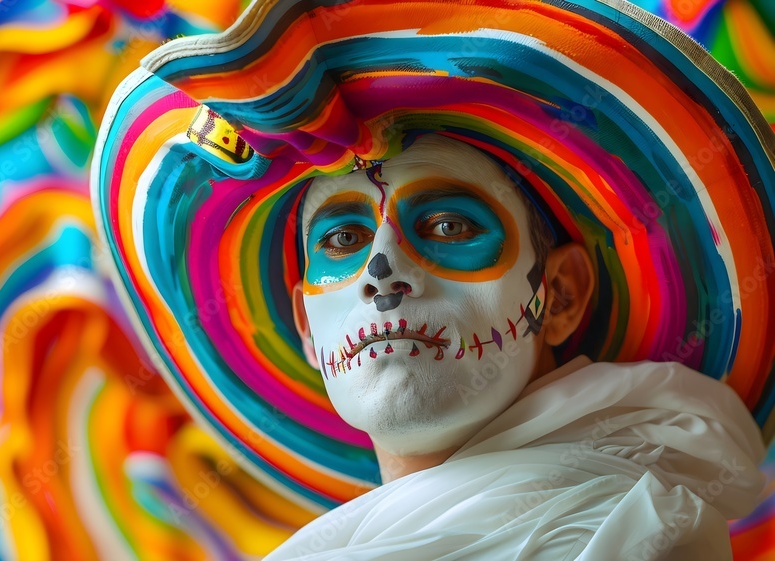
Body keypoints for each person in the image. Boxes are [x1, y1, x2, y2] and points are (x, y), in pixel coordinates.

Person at [92, 0, 775, 558]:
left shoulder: (638, 535)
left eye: (447, 225)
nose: (383, 273)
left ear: (560, 295)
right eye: (343, 238)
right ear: (305, 324)